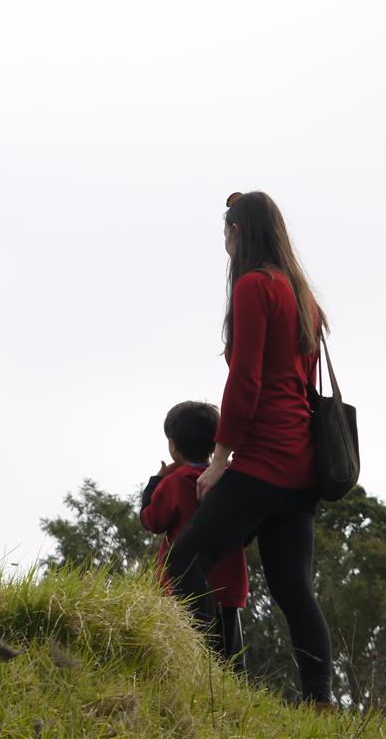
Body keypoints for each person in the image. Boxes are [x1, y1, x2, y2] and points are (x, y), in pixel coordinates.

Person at [164, 191, 334, 706]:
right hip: (302, 466)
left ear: (239, 233)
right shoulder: (302, 296)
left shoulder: (254, 286)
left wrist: (220, 459)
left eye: (227, 231)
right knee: (293, 589)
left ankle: (210, 676)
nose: (224, 240)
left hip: (264, 460)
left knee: (185, 558)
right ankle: (319, 703)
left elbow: (246, 382)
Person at [140, 400, 248, 674]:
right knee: (230, 661)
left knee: (188, 657)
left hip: (183, 589)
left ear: (173, 445)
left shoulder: (174, 483)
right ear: (215, 443)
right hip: (228, 584)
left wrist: (155, 482)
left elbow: (152, 520)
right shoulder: (230, 480)